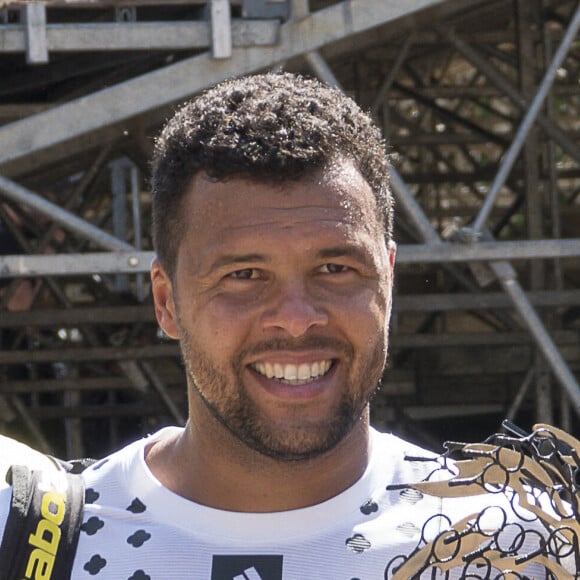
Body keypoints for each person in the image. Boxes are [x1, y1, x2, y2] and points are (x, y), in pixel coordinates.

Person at [0, 73, 573, 579]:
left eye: (334, 268)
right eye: (245, 274)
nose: (297, 319)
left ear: (388, 281)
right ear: (166, 300)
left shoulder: (518, 548)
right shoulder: (35, 542)